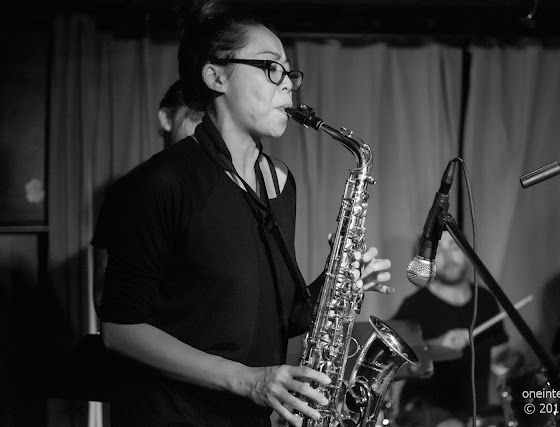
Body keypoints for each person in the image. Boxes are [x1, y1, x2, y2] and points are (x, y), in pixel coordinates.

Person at [94, 1, 392, 426]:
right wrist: (248, 380)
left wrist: (340, 284)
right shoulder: (162, 182)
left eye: (289, 71)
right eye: (271, 68)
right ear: (215, 75)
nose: (288, 84)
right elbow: (120, 330)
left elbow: (279, 318)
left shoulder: (280, 182)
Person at [92, 80, 203, 313]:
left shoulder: (228, 186)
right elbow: (106, 290)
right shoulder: (133, 189)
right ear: (166, 118)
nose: (206, 132)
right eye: (196, 118)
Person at [393, 231, 510, 427]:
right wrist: (436, 345)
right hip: (425, 410)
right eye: (439, 251)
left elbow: (500, 358)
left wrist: (510, 359)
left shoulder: (486, 300)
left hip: (477, 411)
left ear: (466, 253)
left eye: (454, 248)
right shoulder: (413, 307)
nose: (448, 257)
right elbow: (394, 364)